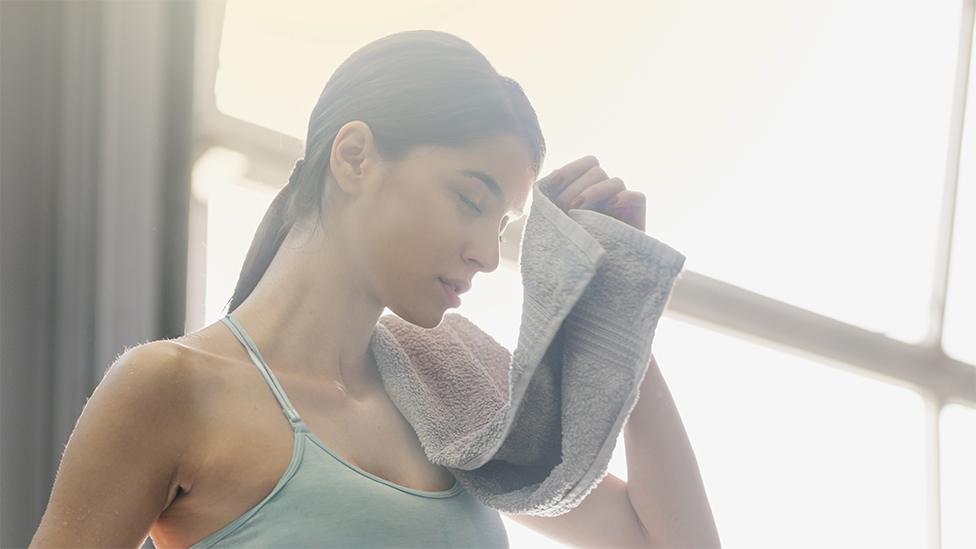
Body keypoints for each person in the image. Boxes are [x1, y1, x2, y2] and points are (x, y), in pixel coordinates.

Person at [30, 29, 652, 549]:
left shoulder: (452, 399)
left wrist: (614, 299)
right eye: (469, 199)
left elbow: (668, 540)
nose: (488, 255)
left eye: (501, 225)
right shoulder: (169, 389)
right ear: (354, 156)